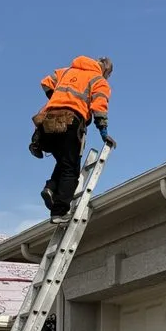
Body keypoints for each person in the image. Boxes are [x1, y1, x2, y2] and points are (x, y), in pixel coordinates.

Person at [30, 55, 116, 224]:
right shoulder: (98, 80)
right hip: (70, 121)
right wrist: (104, 132)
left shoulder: (67, 71)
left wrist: (58, 100)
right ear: (106, 70)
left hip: (47, 122)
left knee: (64, 162)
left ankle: (51, 187)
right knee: (71, 168)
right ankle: (59, 212)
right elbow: (99, 107)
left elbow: (46, 83)